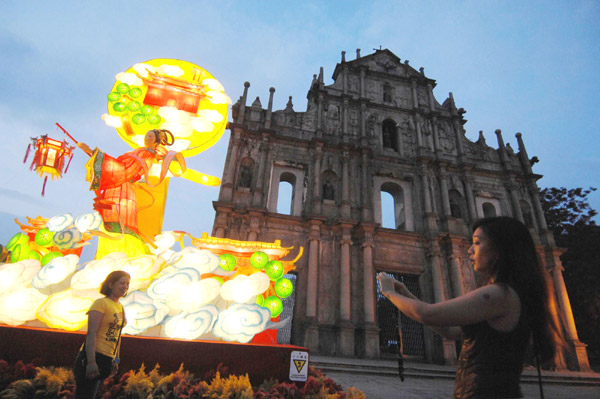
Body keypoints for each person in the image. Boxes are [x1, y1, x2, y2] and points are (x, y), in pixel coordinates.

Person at [377, 216, 563, 399]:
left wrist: (388, 292)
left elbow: (426, 314)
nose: (469, 250)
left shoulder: (498, 295)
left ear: (499, 250)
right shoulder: (506, 295)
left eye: (477, 243)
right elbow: (449, 330)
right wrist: (404, 293)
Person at [77, 129, 186, 239]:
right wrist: (91, 153)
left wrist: (91, 152)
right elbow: (118, 164)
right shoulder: (138, 152)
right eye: (146, 135)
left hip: (122, 192)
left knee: (120, 227)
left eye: (150, 137)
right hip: (117, 188)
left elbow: (124, 170)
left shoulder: (146, 154)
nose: (146, 138)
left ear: (156, 142)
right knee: (109, 224)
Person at [73, 271, 130, 399]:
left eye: (127, 284)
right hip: (94, 355)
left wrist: (116, 359)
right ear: (111, 284)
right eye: (122, 283)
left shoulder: (120, 307)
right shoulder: (101, 303)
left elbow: (117, 335)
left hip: (107, 358)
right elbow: (91, 333)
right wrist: (91, 362)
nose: (125, 286)